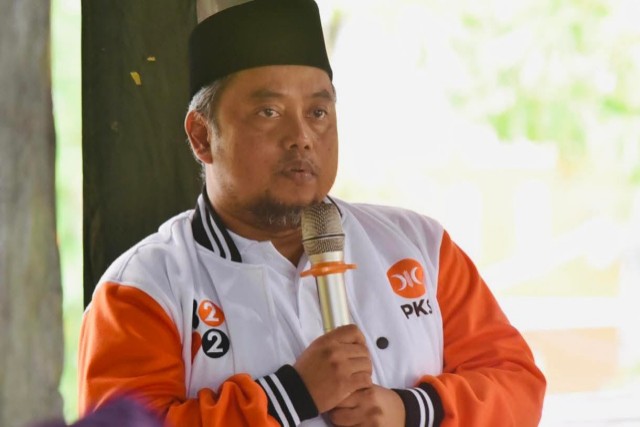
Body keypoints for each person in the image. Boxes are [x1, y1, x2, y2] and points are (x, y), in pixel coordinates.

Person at [78, 0, 546, 426]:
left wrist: (411, 409)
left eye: (318, 113)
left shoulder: (419, 246)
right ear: (202, 136)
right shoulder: (144, 288)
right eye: (268, 112)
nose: (301, 137)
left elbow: (517, 385)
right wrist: (290, 395)